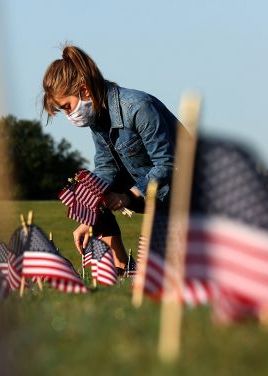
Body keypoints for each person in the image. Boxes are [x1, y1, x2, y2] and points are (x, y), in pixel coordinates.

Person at [42, 45, 180, 272]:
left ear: (84, 91)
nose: (69, 116)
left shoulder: (138, 107)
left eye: (67, 107)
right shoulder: (97, 117)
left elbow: (168, 165)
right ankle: (122, 268)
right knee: (89, 190)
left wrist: (129, 196)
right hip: (149, 192)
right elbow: (105, 168)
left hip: (183, 193)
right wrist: (89, 215)